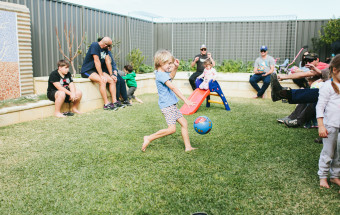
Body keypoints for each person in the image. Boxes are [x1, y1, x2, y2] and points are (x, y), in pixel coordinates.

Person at [142, 50, 197, 152]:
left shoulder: (161, 73)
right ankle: (148, 138)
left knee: (184, 123)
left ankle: (188, 147)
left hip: (171, 105)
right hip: (168, 106)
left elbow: (171, 77)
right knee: (172, 129)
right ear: (160, 63)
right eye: (169, 63)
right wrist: (185, 100)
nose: (170, 66)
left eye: (171, 63)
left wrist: (175, 67)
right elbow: (173, 88)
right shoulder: (161, 75)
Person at [315, 54, 340, 189]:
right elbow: (320, 107)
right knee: (328, 153)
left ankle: (335, 176)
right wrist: (321, 126)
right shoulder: (327, 86)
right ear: (335, 70)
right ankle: (323, 177)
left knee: (339, 154)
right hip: (330, 126)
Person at [80, 37, 118, 110]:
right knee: (102, 81)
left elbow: (108, 62)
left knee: (112, 80)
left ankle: (115, 102)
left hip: (96, 70)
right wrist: (101, 75)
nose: (109, 48)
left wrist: (111, 75)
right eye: (109, 46)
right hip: (88, 70)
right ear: (105, 45)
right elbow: (96, 61)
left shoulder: (105, 49)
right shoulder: (95, 45)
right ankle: (106, 104)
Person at [100, 38, 131, 107]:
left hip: (112, 72)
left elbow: (113, 63)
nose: (109, 49)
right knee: (117, 81)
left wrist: (115, 71)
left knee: (122, 81)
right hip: (105, 72)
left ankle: (125, 99)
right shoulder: (101, 53)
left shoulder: (109, 53)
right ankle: (116, 100)